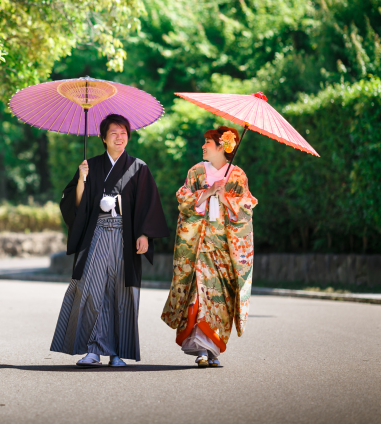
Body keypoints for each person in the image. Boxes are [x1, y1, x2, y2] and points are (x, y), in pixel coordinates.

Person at [50, 113, 170, 367]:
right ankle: (93, 349)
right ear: (103, 138)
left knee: (121, 293)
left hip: (125, 238)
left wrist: (145, 234)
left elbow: (148, 205)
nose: (120, 137)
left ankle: (116, 352)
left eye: (123, 132)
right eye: (113, 133)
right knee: (92, 290)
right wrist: (82, 179)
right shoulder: (90, 166)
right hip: (96, 235)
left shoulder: (139, 168)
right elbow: (75, 204)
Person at [160, 126, 257, 367]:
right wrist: (208, 192)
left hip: (224, 246)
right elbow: (183, 200)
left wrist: (225, 198)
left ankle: (212, 349)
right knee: (200, 293)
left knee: (221, 298)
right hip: (199, 244)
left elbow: (246, 208)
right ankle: (202, 348)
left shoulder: (237, 176)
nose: (203, 146)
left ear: (223, 147)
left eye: (208, 143)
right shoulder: (195, 173)